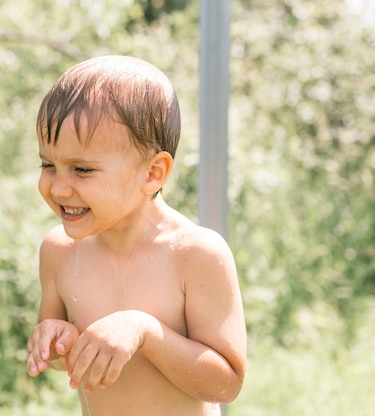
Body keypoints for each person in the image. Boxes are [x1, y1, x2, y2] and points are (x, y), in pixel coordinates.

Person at [26, 55, 246, 416]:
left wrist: (145, 330)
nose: (60, 188)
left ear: (153, 173)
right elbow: (63, 359)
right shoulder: (60, 252)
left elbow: (226, 383)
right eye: (48, 165)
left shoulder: (195, 254)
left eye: (82, 169)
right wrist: (56, 341)